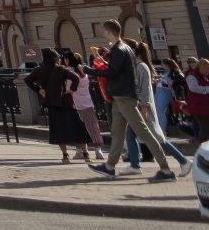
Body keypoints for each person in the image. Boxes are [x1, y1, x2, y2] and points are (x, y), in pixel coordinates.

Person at [89, 21, 177, 180]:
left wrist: (89, 70)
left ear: (109, 32)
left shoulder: (118, 50)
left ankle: (166, 170)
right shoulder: (125, 48)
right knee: (117, 133)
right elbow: (117, 68)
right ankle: (109, 166)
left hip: (124, 97)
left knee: (143, 132)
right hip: (119, 97)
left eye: (104, 32)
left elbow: (113, 72)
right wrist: (101, 61)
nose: (103, 34)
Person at [26, 50, 87, 163]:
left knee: (58, 130)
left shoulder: (39, 70)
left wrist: (39, 90)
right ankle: (85, 153)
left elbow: (28, 80)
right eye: (58, 58)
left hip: (51, 103)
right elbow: (76, 78)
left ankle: (65, 155)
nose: (59, 59)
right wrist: (71, 90)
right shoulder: (61, 69)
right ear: (54, 59)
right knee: (77, 127)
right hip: (65, 102)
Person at [135, 40, 189, 166]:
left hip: (146, 106)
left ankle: (179, 161)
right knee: (135, 135)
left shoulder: (141, 67)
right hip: (143, 105)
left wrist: (143, 108)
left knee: (156, 136)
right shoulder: (139, 66)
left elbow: (144, 91)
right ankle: (135, 161)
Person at [187, 59, 209, 149]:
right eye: (206, 69)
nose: (207, 71)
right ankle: (201, 151)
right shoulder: (191, 76)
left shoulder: (205, 76)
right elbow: (193, 88)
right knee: (205, 129)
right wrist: (207, 89)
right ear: (201, 68)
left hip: (206, 106)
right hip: (199, 107)